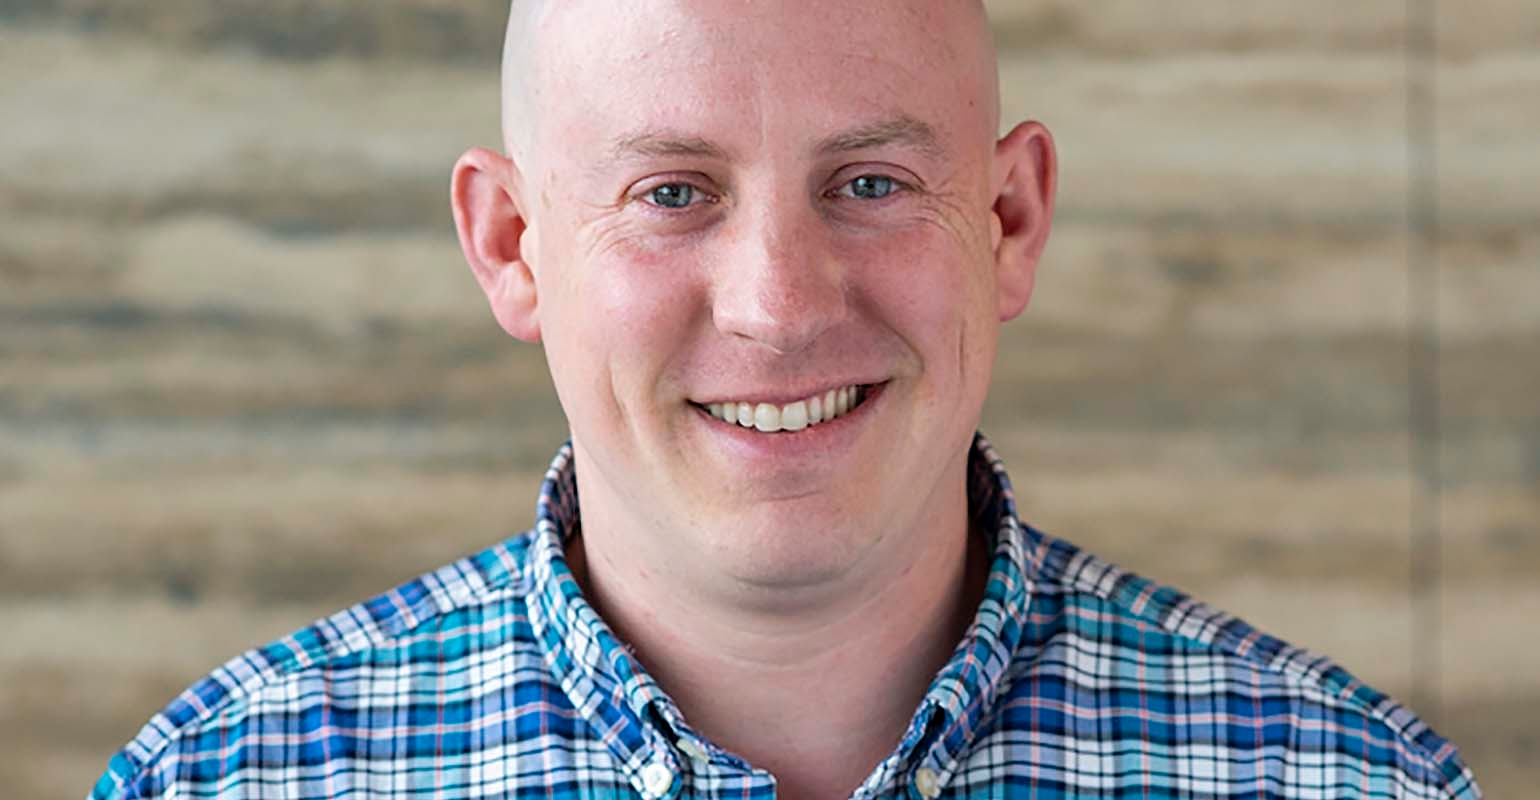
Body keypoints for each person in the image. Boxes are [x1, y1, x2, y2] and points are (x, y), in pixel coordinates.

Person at [91, 1, 1481, 798]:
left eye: (870, 183)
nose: (779, 303)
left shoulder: (1353, 782)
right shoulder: (222, 781)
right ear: (513, 247)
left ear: (1008, 219)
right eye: (672, 193)